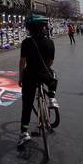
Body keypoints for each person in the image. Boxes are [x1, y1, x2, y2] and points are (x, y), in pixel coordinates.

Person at [17, 15, 58, 148]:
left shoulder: (26, 43)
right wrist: (44, 69)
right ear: (43, 28)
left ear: (30, 29)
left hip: (30, 76)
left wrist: (20, 77)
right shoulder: (50, 42)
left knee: (27, 105)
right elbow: (51, 62)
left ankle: (24, 132)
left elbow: (22, 62)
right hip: (44, 74)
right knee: (54, 75)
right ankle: (52, 97)